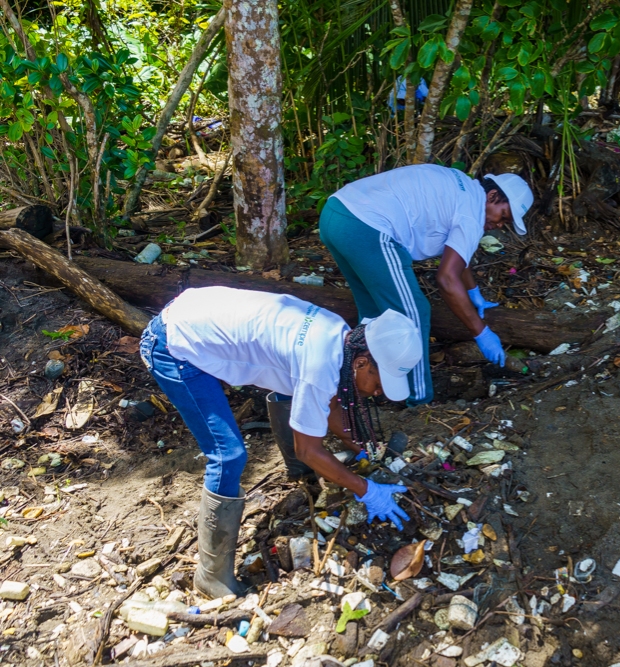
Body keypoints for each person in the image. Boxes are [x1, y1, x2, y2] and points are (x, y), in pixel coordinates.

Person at [139, 287, 422, 598]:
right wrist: (367, 490)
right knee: (228, 456)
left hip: (194, 313)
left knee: (295, 393)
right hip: (174, 346)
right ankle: (212, 576)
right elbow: (309, 447)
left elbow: (327, 403)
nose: (379, 393)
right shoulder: (319, 365)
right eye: (380, 384)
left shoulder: (341, 337)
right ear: (363, 363)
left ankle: (299, 473)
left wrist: (364, 448)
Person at [319, 165, 534, 405]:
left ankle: (359, 384)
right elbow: (446, 279)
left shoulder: (463, 189)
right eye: (503, 216)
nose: (500, 224)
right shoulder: (472, 213)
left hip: (336, 215)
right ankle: (418, 399)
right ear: (492, 196)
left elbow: (459, 257)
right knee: (414, 314)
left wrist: (474, 293)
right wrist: (481, 332)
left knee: (374, 314)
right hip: (368, 226)